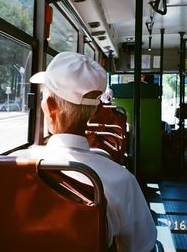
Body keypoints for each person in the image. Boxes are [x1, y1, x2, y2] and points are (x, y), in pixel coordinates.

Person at [11, 52, 157, 251]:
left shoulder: (10, 168)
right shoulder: (121, 180)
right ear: (96, 111)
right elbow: (142, 245)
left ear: (50, 107)